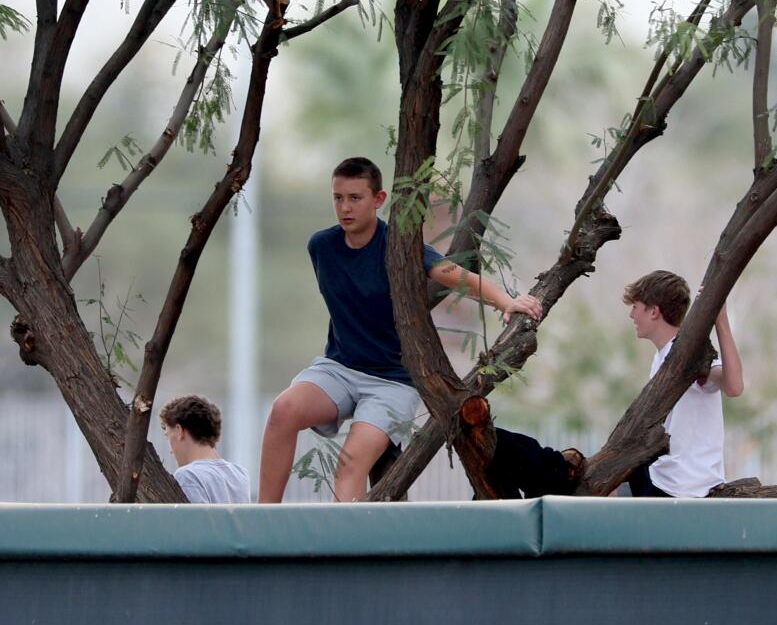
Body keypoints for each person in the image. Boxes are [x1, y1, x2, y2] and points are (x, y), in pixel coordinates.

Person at [259, 156, 546, 503]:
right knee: (283, 410)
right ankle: (262, 517)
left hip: (393, 382)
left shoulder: (399, 248)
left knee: (349, 466)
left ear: (378, 199)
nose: (345, 207)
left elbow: (456, 276)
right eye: (338, 198)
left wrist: (506, 301)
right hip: (340, 368)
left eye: (355, 198)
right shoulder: (321, 247)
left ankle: (340, 539)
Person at [621, 271, 744, 498]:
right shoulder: (661, 355)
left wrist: (721, 321)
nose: (631, 315)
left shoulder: (691, 355)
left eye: (635, 307)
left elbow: (734, 386)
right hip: (662, 476)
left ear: (654, 311)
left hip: (682, 485)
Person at [159, 395, 253, 504]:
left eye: (168, 436)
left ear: (179, 431)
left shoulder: (187, 476)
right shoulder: (240, 473)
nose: (171, 451)